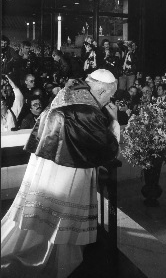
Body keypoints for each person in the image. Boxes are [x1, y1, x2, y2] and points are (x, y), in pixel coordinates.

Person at [1, 69, 120, 278]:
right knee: (61, 221)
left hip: (45, 167)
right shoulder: (89, 111)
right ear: (101, 92)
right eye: (109, 96)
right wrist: (115, 120)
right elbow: (109, 149)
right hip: (69, 173)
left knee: (43, 218)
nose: (109, 101)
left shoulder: (68, 91)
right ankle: (56, 261)